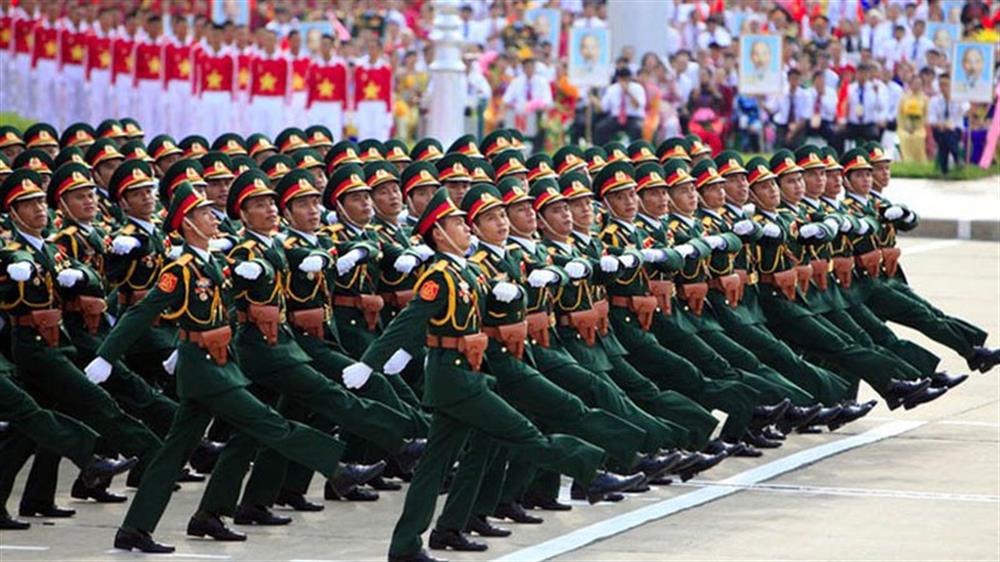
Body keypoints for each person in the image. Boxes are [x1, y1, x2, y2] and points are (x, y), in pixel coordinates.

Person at [350, 187, 644, 562]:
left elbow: (493, 301)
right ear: (438, 232)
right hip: (455, 380)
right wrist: (368, 364)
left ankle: (425, 538)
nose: (466, 228)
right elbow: (409, 322)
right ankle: (591, 472)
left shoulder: (466, 270)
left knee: (434, 466)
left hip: (465, 375)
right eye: (458, 223)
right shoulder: (439, 275)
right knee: (522, 432)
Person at [86, 181, 358, 553]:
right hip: (206, 373)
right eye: (201, 213)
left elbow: (218, 312)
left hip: (213, 363)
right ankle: (337, 468)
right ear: (186, 223)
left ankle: (152, 526)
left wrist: (180, 350)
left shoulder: (211, 261)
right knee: (267, 421)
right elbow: (141, 311)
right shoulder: (180, 269)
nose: (212, 217)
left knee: (172, 454)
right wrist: (106, 355)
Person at [594, 67, 645, 145]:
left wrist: (628, 93)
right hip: (616, 118)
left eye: (627, 79)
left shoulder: (637, 88)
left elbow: (638, 105)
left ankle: (635, 152)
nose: (625, 81)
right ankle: (606, 150)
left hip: (633, 117)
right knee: (601, 128)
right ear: (619, 79)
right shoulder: (612, 89)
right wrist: (595, 100)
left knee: (637, 129)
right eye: (623, 79)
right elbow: (604, 108)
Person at [928, 73, 965, 174]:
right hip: (940, 129)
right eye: (941, 84)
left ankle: (944, 169)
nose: (944, 87)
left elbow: (966, 111)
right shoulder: (934, 100)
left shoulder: (959, 99)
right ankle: (957, 158)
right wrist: (941, 125)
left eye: (946, 84)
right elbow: (931, 120)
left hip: (956, 130)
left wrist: (952, 98)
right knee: (945, 135)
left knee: (947, 138)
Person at [897, 76, 929, 163]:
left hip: (919, 127)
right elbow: (900, 115)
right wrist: (906, 126)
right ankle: (907, 161)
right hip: (904, 127)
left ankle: (920, 162)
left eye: (919, 84)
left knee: (918, 137)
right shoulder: (904, 97)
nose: (916, 85)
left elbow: (926, 116)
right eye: (914, 83)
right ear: (910, 84)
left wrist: (917, 127)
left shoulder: (925, 99)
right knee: (905, 137)